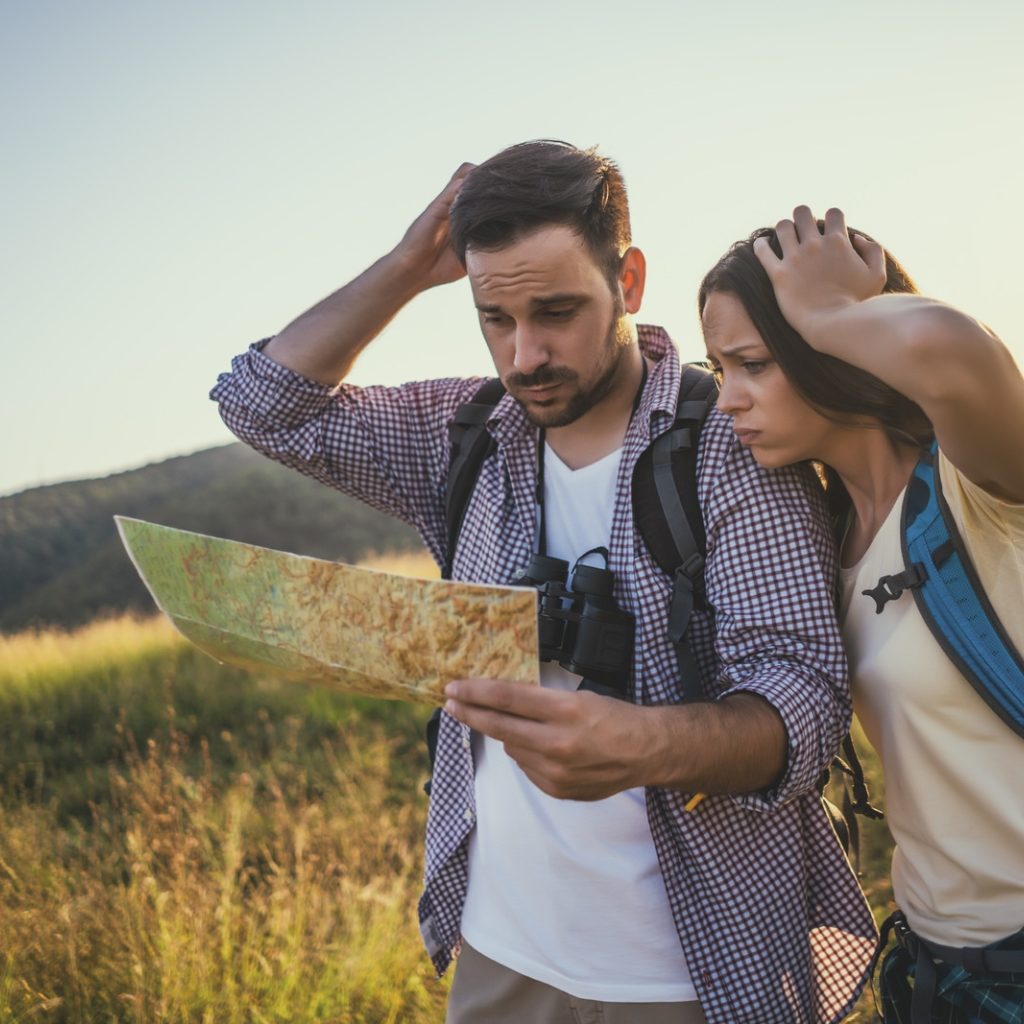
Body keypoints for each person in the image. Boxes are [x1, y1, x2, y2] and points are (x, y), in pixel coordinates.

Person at [211, 142, 876, 1024]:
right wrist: (410, 265)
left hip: (688, 973)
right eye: (496, 318)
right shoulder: (468, 431)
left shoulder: (733, 444)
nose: (525, 356)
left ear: (629, 281)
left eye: (557, 311)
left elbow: (806, 699)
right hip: (501, 951)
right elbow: (263, 405)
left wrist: (645, 745)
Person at [699, 206, 1024, 1023]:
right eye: (717, 369)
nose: (727, 400)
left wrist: (829, 310)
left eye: (752, 364)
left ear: (828, 354)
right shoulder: (827, 540)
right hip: (938, 965)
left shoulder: (975, 490)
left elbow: (962, 361)